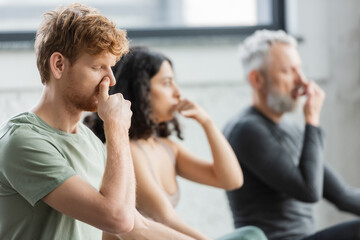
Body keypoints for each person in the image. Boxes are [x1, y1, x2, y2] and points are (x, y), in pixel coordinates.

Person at [0, 4, 194, 240]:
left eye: (111, 68)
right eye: (97, 67)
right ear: (58, 65)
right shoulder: (23, 142)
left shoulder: (89, 141)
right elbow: (117, 219)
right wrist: (117, 128)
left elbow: (137, 226)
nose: (110, 80)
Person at [84, 46, 268, 240]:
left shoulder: (166, 148)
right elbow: (165, 218)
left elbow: (231, 179)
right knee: (249, 236)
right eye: (167, 83)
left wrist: (207, 122)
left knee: (251, 233)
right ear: (142, 91)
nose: (178, 93)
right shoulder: (129, 151)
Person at [224, 29, 360, 240]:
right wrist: (312, 120)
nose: (301, 80)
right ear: (256, 79)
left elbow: (342, 195)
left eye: (300, 69)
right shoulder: (246, 130)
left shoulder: (291, 129)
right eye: (288, 71)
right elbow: (308, 190)